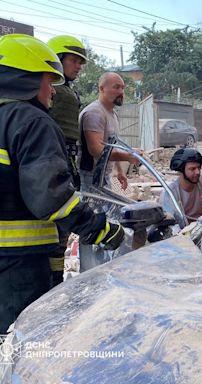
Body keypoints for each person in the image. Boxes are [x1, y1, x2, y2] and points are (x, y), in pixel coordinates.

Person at [0, 34, 124, 334]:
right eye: (48, 81)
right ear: (26, 79)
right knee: (29, 340)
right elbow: (51, 196)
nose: (52, 92)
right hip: (23, 261)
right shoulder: (32, 121)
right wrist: (101, 229)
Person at [47, 35, 87, 287]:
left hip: (67, 165)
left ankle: (55, 281)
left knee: (60, 238)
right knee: (54, 236)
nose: (78, 66)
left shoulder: (67, 91)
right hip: (55, 166)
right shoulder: (57, 93)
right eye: (74, 60)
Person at [79, 72, 139, 192]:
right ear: (102, 89)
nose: (121, 92)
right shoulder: (94, 113)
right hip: (90, 177)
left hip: (104, 175)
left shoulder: (113, 114)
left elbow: (112, 144)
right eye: (116, 87)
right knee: (92, 210)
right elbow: (96, 150)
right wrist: (127, 156)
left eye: (122, 88)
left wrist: (120, 171)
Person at [160, 148, 202, 223]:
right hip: (182, 229)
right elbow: (169, 220)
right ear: (181, 170)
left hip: (201, 223)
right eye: (192, 169)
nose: (198, 172)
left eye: (199, 168)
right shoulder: (170, 192)